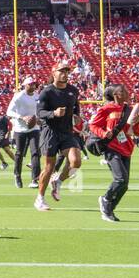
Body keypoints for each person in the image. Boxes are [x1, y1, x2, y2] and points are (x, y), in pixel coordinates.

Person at [34, 59, 84, 212]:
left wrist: (76, 116)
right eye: (61, 71)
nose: (64, 74)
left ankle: (58, 182)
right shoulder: (47, 91)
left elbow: (76, 108)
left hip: (67, 131)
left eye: (66, 71)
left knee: (76, 162)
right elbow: (39, 113)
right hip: (50, 131)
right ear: (53, 73)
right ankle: (40, 199)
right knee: (49, 167)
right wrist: (53, 113)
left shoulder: (73, 90)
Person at [87, 84, 139, 223]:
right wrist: (104, 133)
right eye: (123, 91)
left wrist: (136, 123)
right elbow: (93, 125)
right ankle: (105, 199)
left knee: (124, 185)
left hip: (126, 147)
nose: (127, 92)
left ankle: (109, 208)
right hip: (111, 147)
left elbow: (137, 132)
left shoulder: (129, 109)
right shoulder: (106, 109)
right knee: (120, 179)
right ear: (116, 95)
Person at [7, 76, 41, 189]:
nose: (32, 86)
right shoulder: (19, 96)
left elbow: (39, 110)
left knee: (35, 152)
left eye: (34, 84)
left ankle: (35, 179)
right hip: (20, 128)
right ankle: (17, 175)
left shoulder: (37, 96)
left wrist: (39, 118)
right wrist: (22, 117)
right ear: (25, 85)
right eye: (30, 84)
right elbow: (9, 111)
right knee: (19, 153)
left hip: (34, 128)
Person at [0, 105, 15, 171]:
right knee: (7, 151)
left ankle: (4, 163)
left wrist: (8, 133)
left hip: (3, 136)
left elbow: (10, 124)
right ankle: (18, 162)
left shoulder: (2, 117)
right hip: (0, 136)